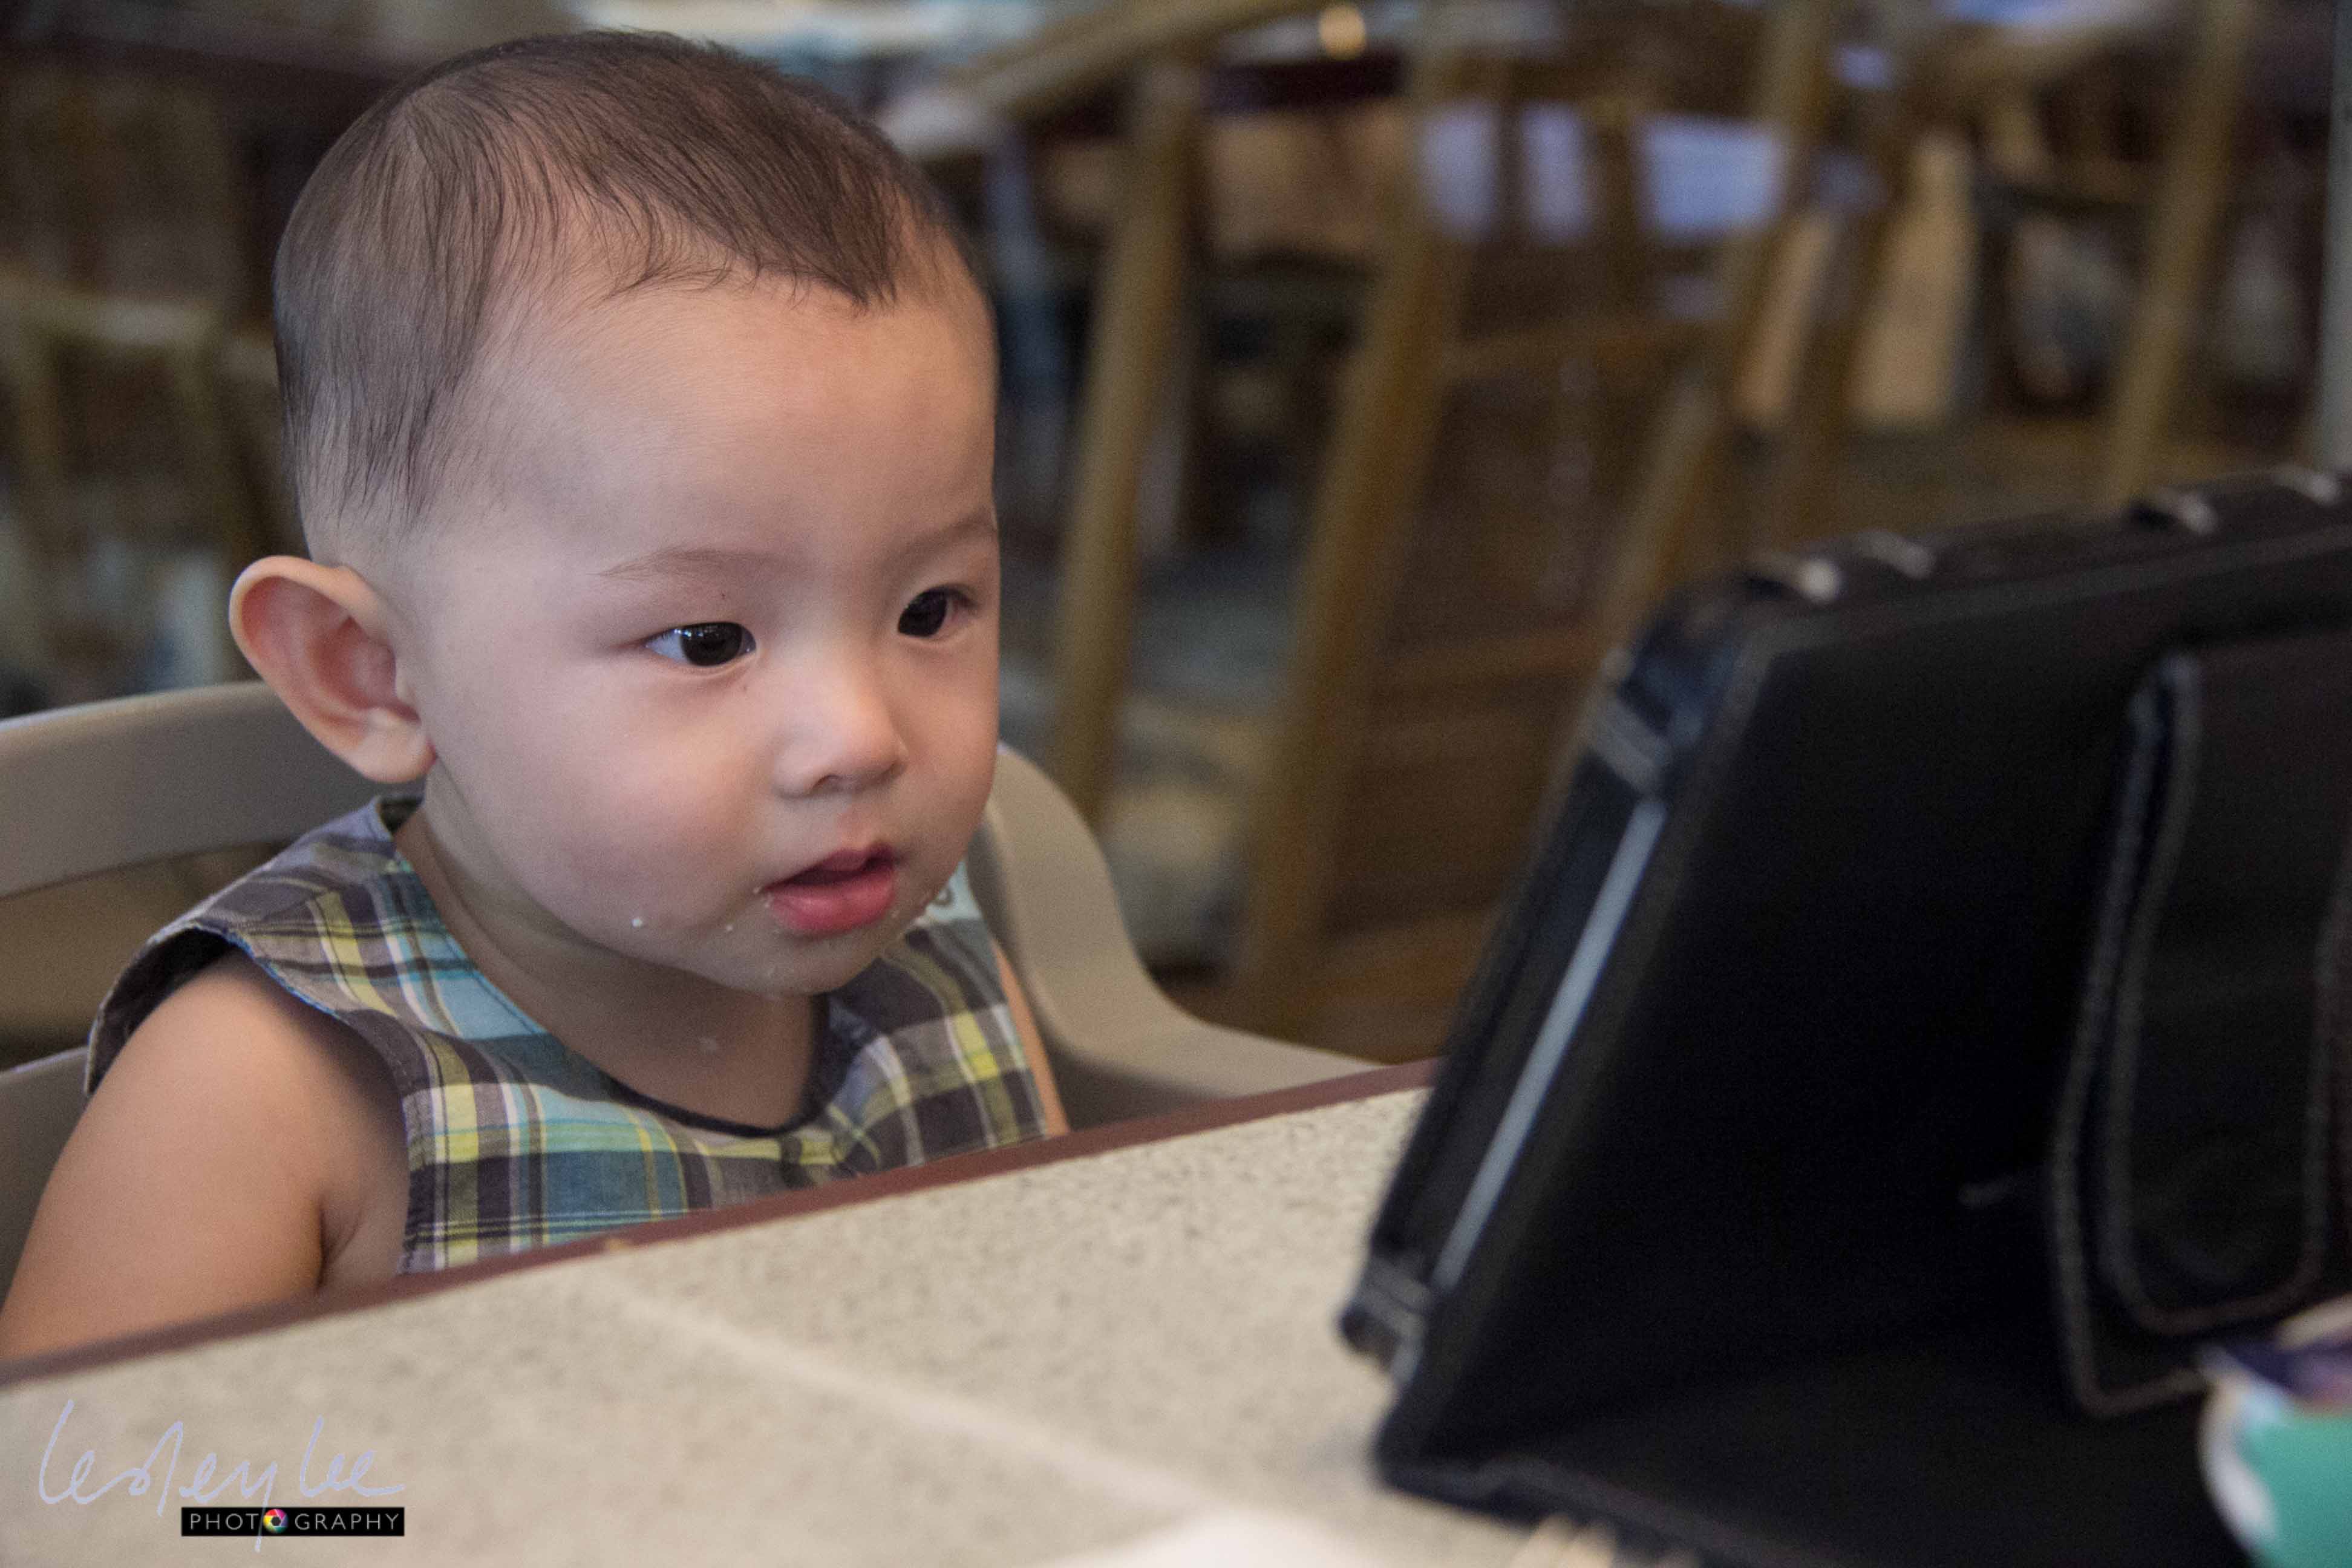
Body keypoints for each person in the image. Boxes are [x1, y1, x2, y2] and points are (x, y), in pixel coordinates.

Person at [0, 31, 1067, 1359]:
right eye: (707, 641)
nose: (861, 737)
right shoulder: (271, 1085)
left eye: (930, 610)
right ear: (372, 674)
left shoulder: (935, 958)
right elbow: (84, 1480)